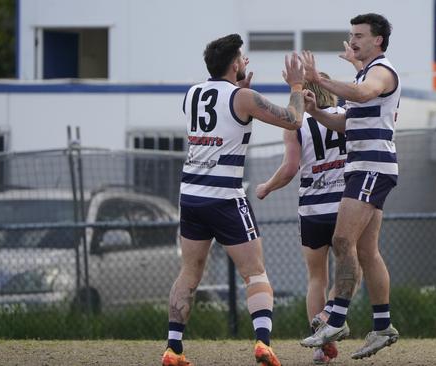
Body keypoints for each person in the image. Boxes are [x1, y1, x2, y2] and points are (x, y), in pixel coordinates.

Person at [161, 33, 305, 366]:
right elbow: (294, 119)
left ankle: (173, 348)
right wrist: (296, 87)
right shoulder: (243, 97)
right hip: (224, 197)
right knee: (254, 273)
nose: (245, 62)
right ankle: (263, 343)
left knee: (189, 272)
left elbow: (222, 117)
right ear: (234, 64)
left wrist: (243, 92)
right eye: (242, 57)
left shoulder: (193, 93)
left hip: (191, 196)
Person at [299, 13, 401, 360]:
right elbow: (346, 124)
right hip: (364, 167)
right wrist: (316, 112)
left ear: (378, 41)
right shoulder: (365, 72)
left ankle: (337, 317)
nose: (353, 40)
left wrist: (320, 81)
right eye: (351, 34)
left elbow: (361, 92)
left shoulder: (381, 71)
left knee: (342, 240)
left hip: (372, 167)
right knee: (367, 252)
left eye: (360, 35)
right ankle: (383, 327)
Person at [256, 72, 363, 364]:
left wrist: (266, 186)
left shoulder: (296, 124)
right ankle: (330, 313)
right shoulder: (346, 114)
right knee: (354, 268)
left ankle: (320, 345)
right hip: (346, 206)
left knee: (316, 276)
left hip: (312, 209)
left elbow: (290, 168)